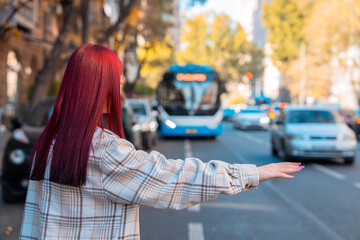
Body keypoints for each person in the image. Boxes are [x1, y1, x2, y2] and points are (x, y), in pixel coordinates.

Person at [20, 44, 304, 240]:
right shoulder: (104, 150)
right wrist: (250, 173)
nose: (119, 90)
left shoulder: (50, 143)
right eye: (115, 83)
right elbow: (172, 179)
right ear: (98, 90)